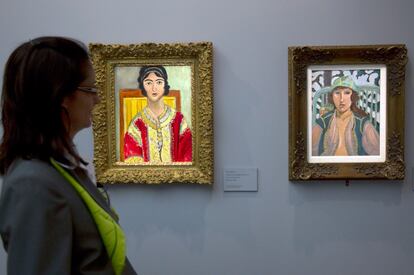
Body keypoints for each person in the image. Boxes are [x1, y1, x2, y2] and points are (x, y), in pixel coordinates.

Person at [0, 37, 137, 274]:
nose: (97, 99)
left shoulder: (61, 169)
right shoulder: (33, 185)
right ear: (62, 96)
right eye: (90, 89)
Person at [123, 65, 192, 163]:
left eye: (159, 82)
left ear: (165, 85)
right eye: (148, 83)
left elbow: (188, 154)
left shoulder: (179, 120)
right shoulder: (137, 124)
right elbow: (132, 159)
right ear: (143, 86)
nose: (154, 88)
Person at [312, 76, 380, 156]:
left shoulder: (363, 123)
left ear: (353, 96)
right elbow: (311, 151)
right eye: (337, 93)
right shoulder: (323, 122)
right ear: (332, 97)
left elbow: (377, 153)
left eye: (347, 93)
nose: (341, 99)